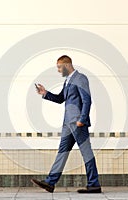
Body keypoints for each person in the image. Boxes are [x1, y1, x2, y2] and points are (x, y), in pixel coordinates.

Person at [31, 55, 101, 193]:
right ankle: (50, 182)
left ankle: (94, 184)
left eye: (59, 67)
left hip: (78, 123)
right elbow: (60, 98)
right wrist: (45, 93)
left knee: (87, 153)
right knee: (62, 152)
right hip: (67, 124)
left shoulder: (80, 78)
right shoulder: (68, 81)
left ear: (67, 65)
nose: (58, 70)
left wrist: (82, 119)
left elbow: (87, 100)